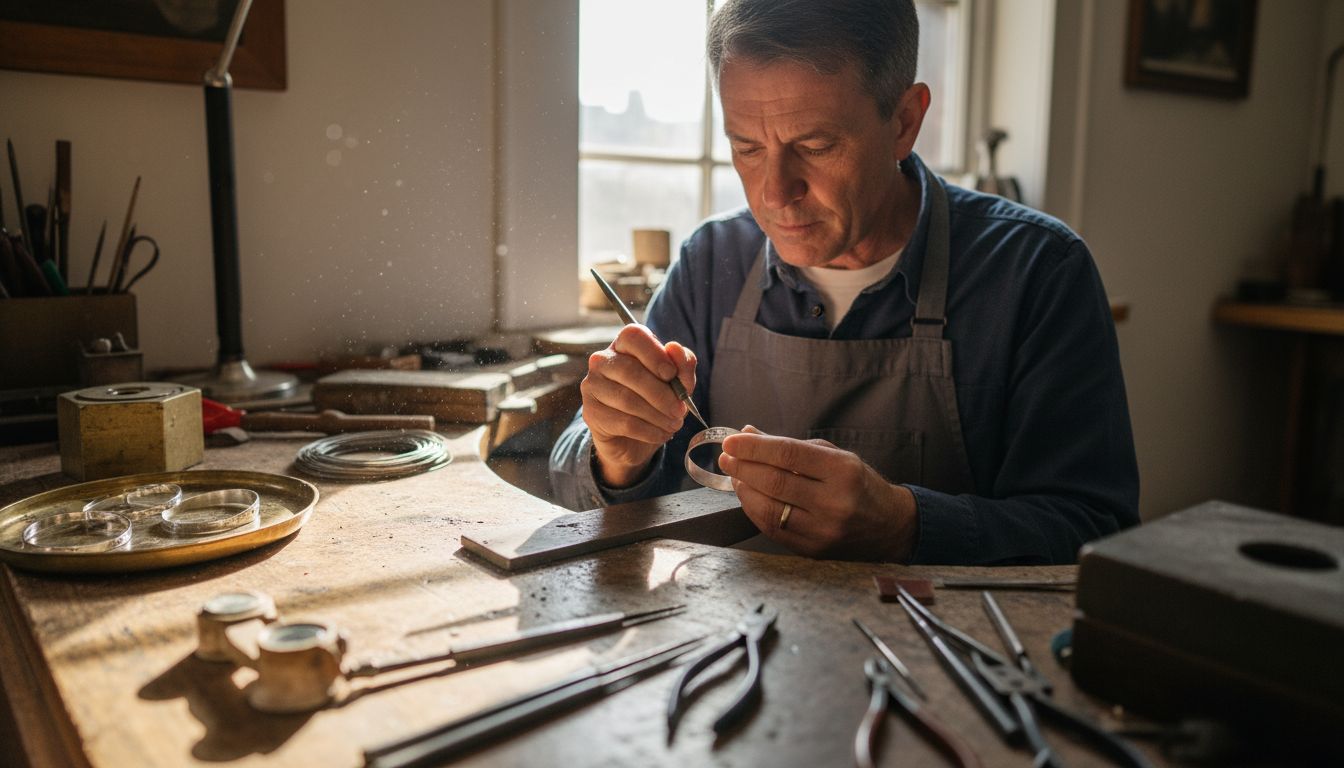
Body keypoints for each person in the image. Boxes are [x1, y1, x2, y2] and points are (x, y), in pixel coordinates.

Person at [550, 0, 1139, 565]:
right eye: (747, 147)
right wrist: (617, 457)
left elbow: (1096, 534)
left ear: (905, 122)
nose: (775, 194)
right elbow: (570, 471)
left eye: (816, 146)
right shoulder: (713, 261)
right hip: (722, 641)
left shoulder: (1036, 272)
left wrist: (906, 524)